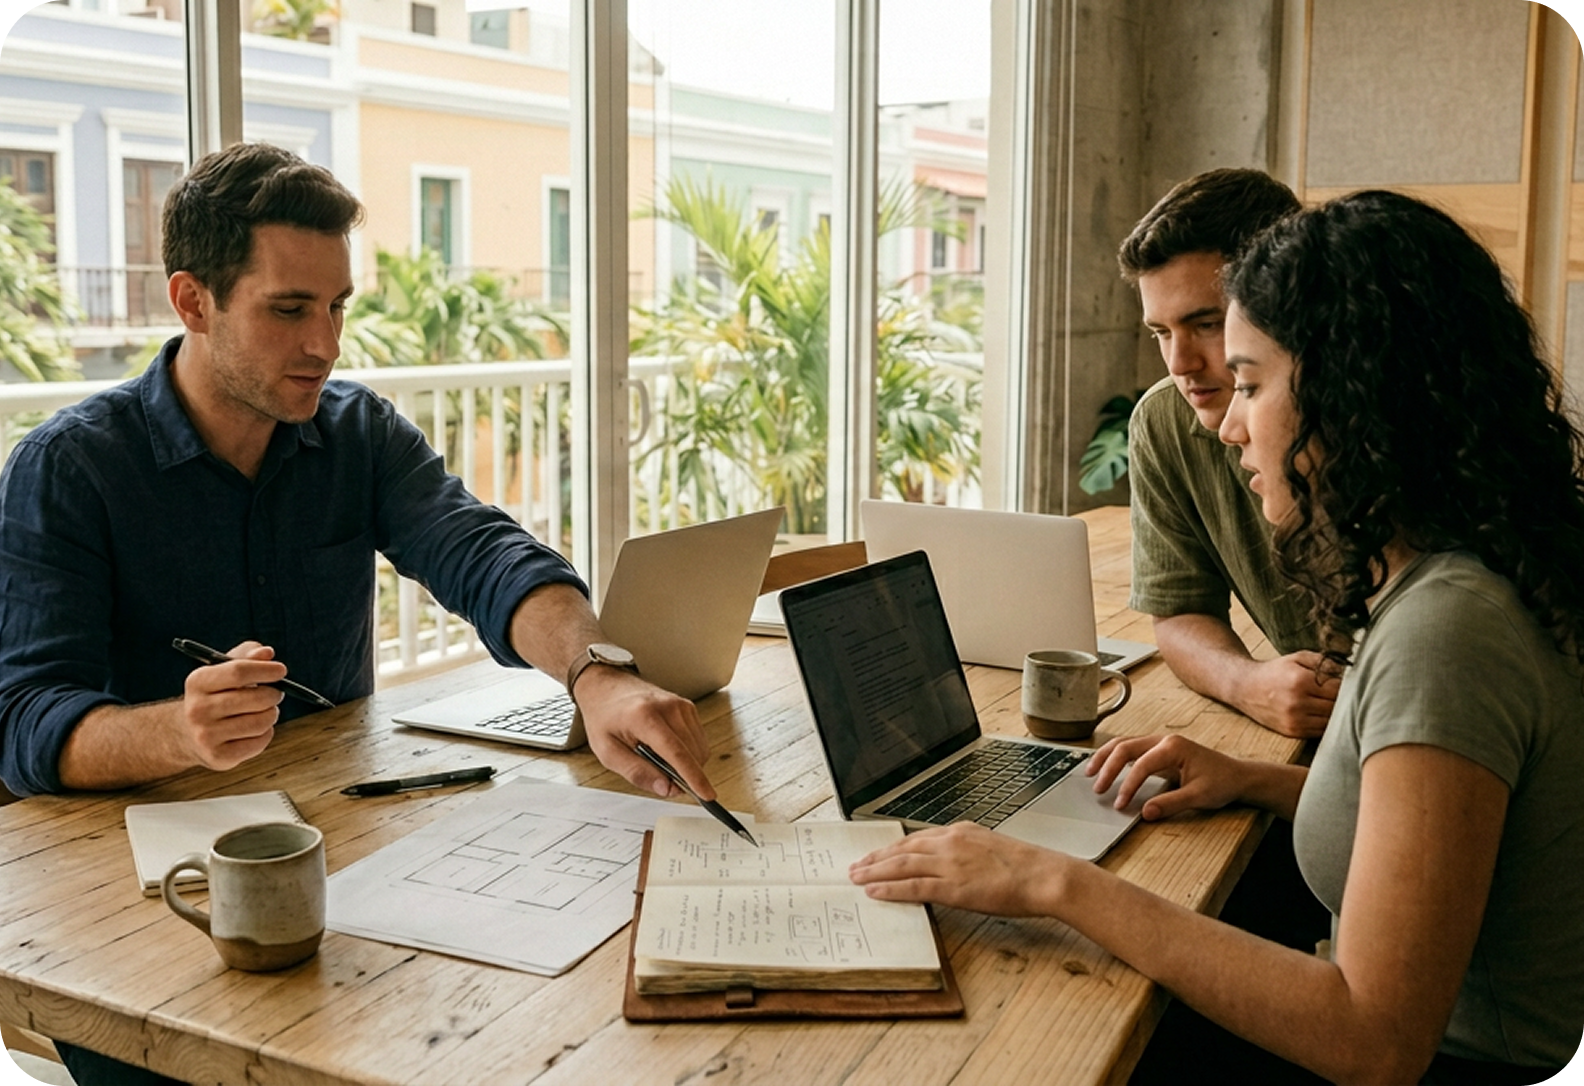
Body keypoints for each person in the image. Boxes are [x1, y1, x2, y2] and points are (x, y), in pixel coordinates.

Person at [0, 143, 717, 1082]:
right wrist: (181, 729)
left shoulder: (358, 433)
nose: (326, 344)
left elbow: (481, 551)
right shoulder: (70, 468)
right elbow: (23, 722)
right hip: (143, 913)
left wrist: (598, 676)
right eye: (289, 310)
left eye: (337, 306)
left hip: (349, 858)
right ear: (192, 302)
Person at [852, 190, 1584, 1083]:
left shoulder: (1446, 632)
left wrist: (1053, 881)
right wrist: (1251, 779)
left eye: (1251, 382)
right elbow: (1446, 819)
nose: (1230, 423)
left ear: (1353, 389)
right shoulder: (1470, 572)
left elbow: (1375, 1041)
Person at [1119, 169, 1336, 740]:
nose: (1179, 363)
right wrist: (1249, 684)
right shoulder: (1165, 419)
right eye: (1160, 332)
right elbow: (1179, 611)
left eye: (1206, 324)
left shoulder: (1364, 421)